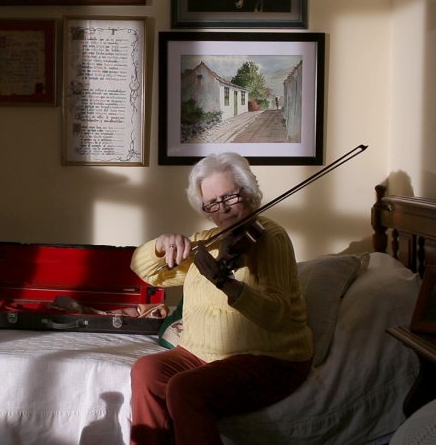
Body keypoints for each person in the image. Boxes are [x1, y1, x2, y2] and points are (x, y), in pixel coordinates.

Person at [129, 152, 313, 445]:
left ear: (249, 193)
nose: (223, 209)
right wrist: (160, 246)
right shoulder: (208, 240)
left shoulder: (270, 239)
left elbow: (277, 315)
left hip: (268, 357)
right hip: (201, 353)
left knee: (185, 389)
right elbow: (148, 272)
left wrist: (230, 287)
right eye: (212, 203)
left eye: (230, 197)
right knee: (146, 370)